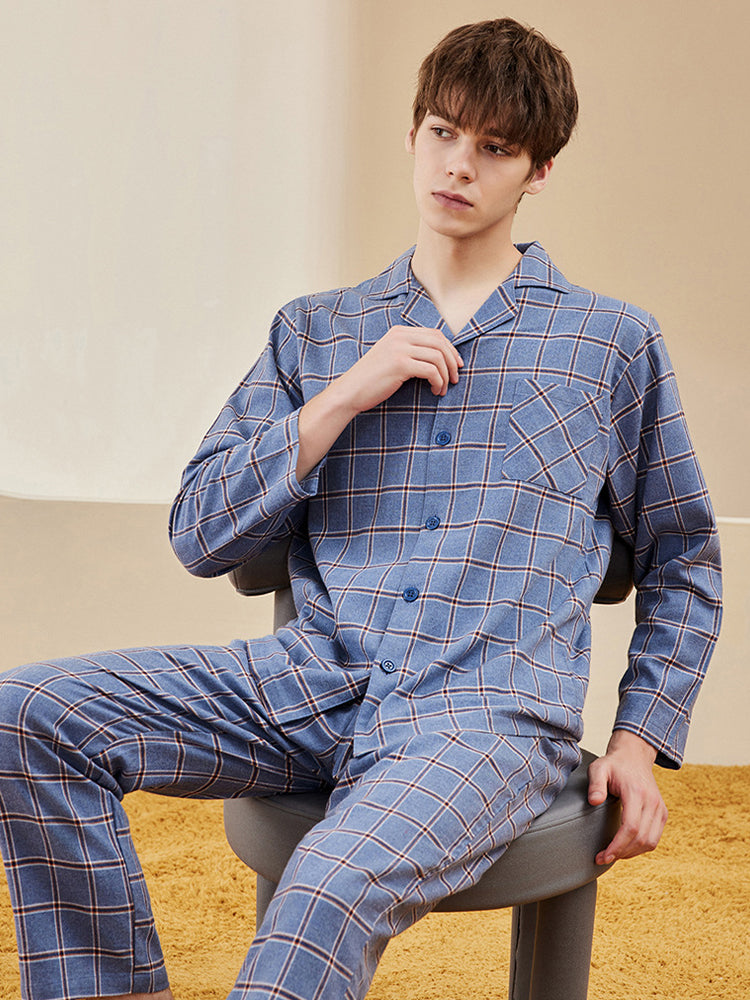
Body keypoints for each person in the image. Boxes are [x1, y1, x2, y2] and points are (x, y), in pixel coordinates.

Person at [0, 17, 722, 1000]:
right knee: (29, 716)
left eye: (495, 147)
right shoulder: (317, 330)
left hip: (483, 719)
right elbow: (200, 535)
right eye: (443, 133)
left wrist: (639, 737)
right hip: (307, 680)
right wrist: (339, 400)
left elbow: (685, 560)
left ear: (539, 170)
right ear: (413, 133)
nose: (458, 165)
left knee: (323, 890)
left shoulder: (610, 346)